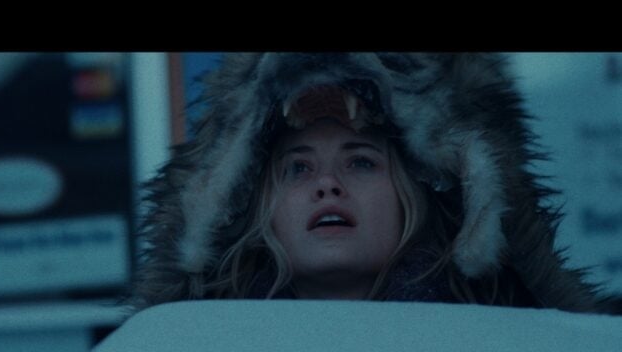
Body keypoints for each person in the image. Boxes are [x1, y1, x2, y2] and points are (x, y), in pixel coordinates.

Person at [132, 53, 622, 314]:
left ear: (420, 192)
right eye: (298, 168)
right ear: (251, 206)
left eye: (361, 162)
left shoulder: (515, 347)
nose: (327, 185)